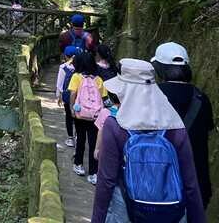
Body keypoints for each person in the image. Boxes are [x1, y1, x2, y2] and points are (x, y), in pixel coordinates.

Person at [92, 58, 206, 223]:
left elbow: (106, 181)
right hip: (170, 214)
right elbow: (190, 185)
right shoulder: (175, 126)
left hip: (125, 213)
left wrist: (97, 219)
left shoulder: (115, 126)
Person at [153, 42, 214, 211]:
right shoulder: (202, 99)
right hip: (194, 183)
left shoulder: (151, 95)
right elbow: (205, 131)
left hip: (156, 182)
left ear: (159, 68)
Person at [68, 51, 107, 184]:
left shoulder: (76, 77)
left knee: (80, 138)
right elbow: (104, 98)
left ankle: (78, 164)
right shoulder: (98, 80)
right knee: (93, 143)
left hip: (80, 114)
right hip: (95, 116)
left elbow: (73, 93)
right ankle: (93, 173)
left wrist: (72, 108)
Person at [56, 45, 80, 147]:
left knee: (69, 116)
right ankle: (78, 136)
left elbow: (59, 84)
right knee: (78, 116)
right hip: (79, 96)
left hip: (67, 95)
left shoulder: (63, 67)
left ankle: (70, 138)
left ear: (66, 56)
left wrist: (58, 96)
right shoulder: (79, 67)